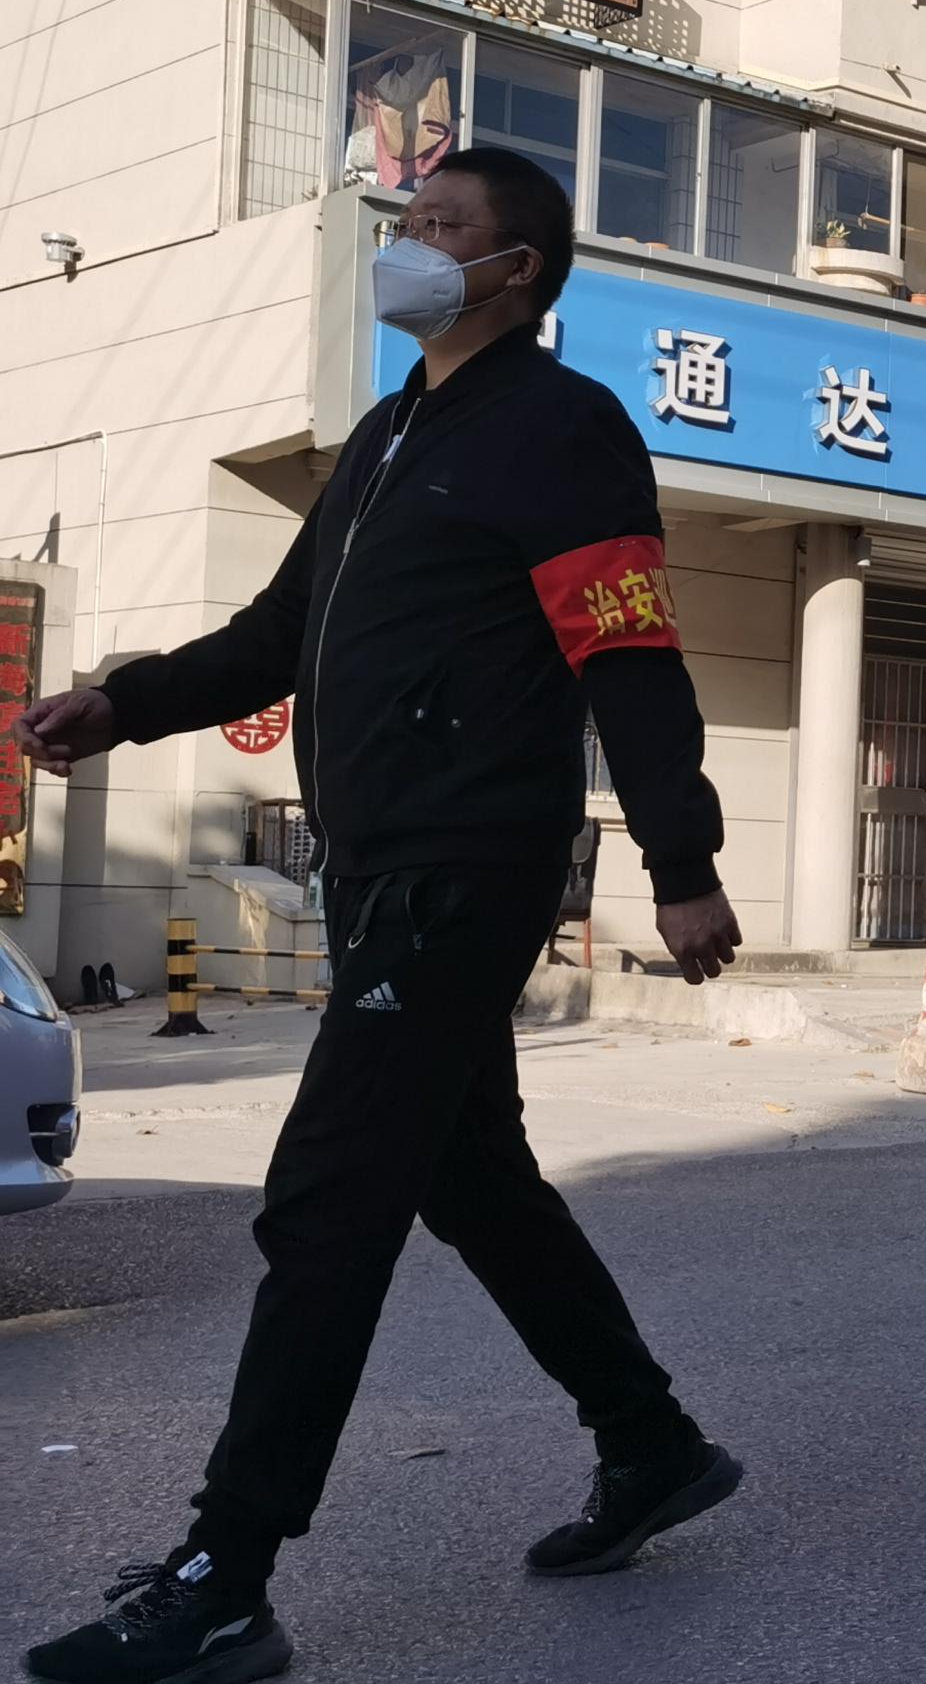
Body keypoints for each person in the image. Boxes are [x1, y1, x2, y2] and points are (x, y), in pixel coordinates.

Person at [17, 149, 745, 1684]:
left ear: (517, 271)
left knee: (328, 1198)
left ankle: (227, 1575)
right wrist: (124, 705)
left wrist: (681, 860)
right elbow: (277, 635)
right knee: (472, 1178)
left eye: (444, 227)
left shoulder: (561, 427)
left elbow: (629, 652)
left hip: (464, 863)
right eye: (407, 222)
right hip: (382, 866)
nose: (408, 245)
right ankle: (650, 1442)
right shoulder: (392, 433)